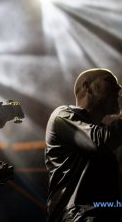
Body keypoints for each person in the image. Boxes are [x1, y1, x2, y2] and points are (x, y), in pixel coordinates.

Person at [45, 68, 122, 221]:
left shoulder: (101, 136)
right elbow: (102, 139)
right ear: (87, 86)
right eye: (109, 81)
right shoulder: (62, 115)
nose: (118, 88)